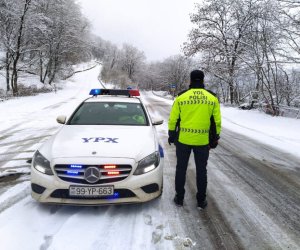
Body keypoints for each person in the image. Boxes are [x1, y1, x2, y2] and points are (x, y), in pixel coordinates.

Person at [168, 70, 221, 209]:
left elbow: (173, 119)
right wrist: (214, 139)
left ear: (190, 81)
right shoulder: (212, 98)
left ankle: (179, 198)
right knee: (201, 171)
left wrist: (171, 135)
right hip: (202, 142)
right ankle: (201, 201)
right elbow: (216, 122)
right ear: (203, 81)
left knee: (181, 169)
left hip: (184, 141)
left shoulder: (181, 97)